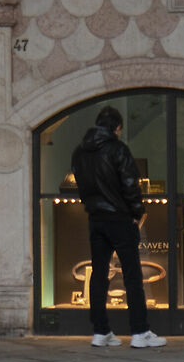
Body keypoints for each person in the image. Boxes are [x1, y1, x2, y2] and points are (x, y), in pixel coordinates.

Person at [71, 106, 166, 349]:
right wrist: (136, 212)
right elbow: (130, 184)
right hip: (120, 219)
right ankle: (139, 331)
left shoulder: (80, 152)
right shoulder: (118, 149)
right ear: (117, 128)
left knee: (98, 275)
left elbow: (81, 185)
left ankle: (101, 331)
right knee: (133, 275)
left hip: (96, 219)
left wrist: (92, 207)